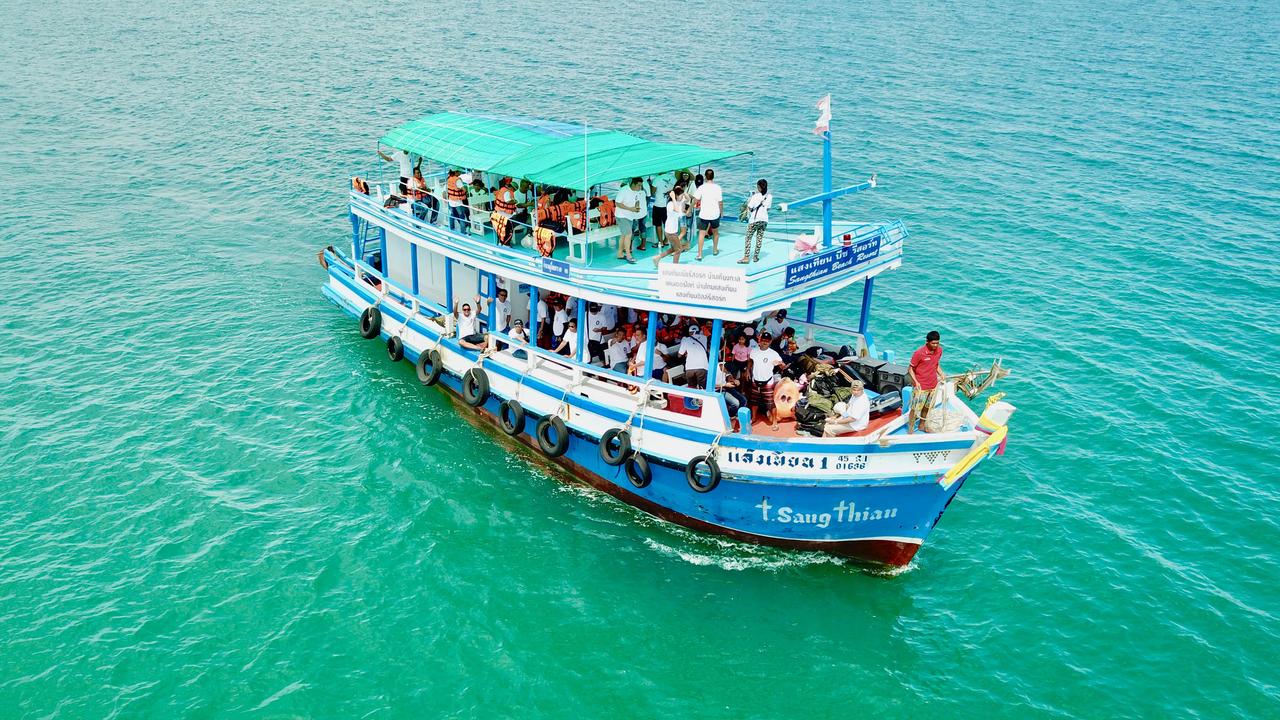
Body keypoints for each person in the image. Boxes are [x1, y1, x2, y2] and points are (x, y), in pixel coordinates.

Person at [908, 330, 946, 433]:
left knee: (927, 407)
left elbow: (936, 364)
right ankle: (910, 428)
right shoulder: (919, 353)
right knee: (915, 409)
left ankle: (922, 426)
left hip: (933, 385)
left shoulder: (939, 350)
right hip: (921, 387)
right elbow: (910, 369)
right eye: (933, 343)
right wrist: (916, 382)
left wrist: (941, 373)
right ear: (927, 342)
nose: (935, 345)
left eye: (937, 343)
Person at [748, 331, 785, 430]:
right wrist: (747, 371)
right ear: (760, 340)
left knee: (771, 403)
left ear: (770, 342)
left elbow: (782, 365)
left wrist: (780, 364)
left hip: (767, 382)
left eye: (767, 341)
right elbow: (750, 360)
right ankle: (754, 418)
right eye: (763, 340)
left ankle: (775, 422)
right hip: (755, 380)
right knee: (754, 401)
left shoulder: (773, 354)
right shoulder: (754, 351)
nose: (765, 342)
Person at [652, 184, 691, 266]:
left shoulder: (678, 202)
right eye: (680, 196)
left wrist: (683, 192)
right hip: (670, 231)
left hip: (673, 230)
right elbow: (676, 210)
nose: (682, 197)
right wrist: (673, 197)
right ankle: (674, 266)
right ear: (676, 196)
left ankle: (658, 257)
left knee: (674, 248)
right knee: (678, 249)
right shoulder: (670, 204)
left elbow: (688, 199)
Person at [693, 168, 724, 260]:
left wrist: (689, 209)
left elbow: (695, 200)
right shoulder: (718, 188)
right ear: (713, 176)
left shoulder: (701, 187)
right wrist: (721, 212)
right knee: (715, 232)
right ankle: (715, 250)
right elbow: (720, 202)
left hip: (704, 214)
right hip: (715, 214)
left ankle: (699, 254)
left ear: (705, 177)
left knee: (701, 233)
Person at [739, 178, 771, 264]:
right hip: (764, 220)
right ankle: (756, 257)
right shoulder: (769, 196)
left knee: (748, 238)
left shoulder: (755, 196)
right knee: (759, 238)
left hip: (754, 220)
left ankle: (746, 258)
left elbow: (749, 208)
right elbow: (768, 209)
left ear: (759, 187)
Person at [615, 177, 646, 263]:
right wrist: (630, 209)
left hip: (630, 216)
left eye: (641, 185)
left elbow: (637, 201)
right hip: (621, 215)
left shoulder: (637, 191)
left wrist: (637, 207)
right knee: (629, 234)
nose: (640, 187)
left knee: (624, 235)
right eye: (639, 185)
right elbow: (617, 203)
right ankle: (628, 255)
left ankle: (620, 254)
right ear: (633, 184)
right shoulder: (624, 190)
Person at [678, 323, 709, 389]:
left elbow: (679, 355)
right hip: (702, 367)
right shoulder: (704, 338)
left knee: (691, 388)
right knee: (702, 388)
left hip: (690, 368)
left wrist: (686, 352)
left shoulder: (686, 340)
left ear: (690, 332)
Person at [445, 169, 469, 234]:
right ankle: (463, 231)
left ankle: (451, 229)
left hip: (451, 200)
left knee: (452, 215)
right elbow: (464, 189)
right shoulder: (457, 180)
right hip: (458, 201)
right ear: (456, 172)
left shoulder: (449, 179)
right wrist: (465, 191)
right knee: (461, 216)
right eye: (459, 171)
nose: (460, 172)